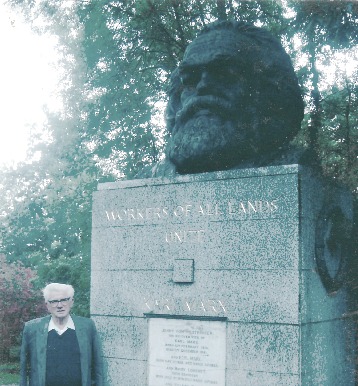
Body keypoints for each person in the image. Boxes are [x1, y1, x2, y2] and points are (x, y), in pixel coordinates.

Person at [142, 20, 305, 177]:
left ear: (269, 90)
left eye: (225, 74)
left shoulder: (299, 174)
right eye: (189, 79)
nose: (203, 85)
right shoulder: (146, 182)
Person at [20, 283, 104, 386]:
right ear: (47, 305)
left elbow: (98, 366)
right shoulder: (32, 328)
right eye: (54, 301)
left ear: (71, 302)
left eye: (64, 300)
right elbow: (23, 368)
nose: (59, 305)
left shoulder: (87, 326)